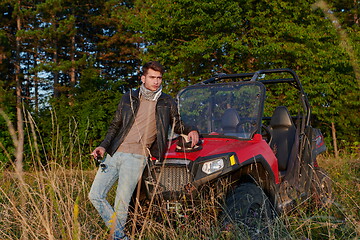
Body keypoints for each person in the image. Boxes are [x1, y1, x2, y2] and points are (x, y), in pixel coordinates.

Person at [88, 61, 199, 240]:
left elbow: (177, 124)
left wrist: (191, 129)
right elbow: (115, 126)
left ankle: (117, 236)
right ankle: (120, 236)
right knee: (95, 195)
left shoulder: (167, 101)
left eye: (159, 78)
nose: (156, 81)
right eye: (152, 77)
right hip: (114, 153)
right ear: (143, 78)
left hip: (137, 157)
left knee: (121, 203)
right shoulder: (129, 97)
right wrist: (103, 146)